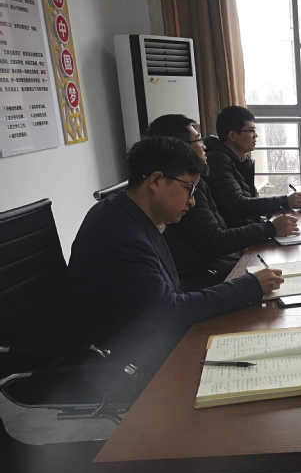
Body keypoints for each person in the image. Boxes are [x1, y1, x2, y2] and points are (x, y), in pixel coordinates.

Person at [62, 136, 285, 380]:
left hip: (143, 332)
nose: (192, 201)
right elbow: (168, 313)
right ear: (156, 181)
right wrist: (249, 286)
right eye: (189, 188)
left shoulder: (126, 212)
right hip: (125, 358)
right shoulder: (121, 235)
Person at [147, 114, 299, 291]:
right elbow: (217, 236)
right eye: (198, 139)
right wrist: (270, 227)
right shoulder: (211, 166)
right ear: (178, 147)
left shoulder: (214, 172)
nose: (204, 145)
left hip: (224, 266)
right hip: (214, 278)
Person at [205, 106, 301, 228]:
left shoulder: (241, 159)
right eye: (251, 130)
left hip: (249, 228)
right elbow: (238, 205)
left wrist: (278, 210)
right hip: (237, 233)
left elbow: (252, 198)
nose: (256, 135)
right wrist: (285, 201)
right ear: (233, 135)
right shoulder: (217, 161)